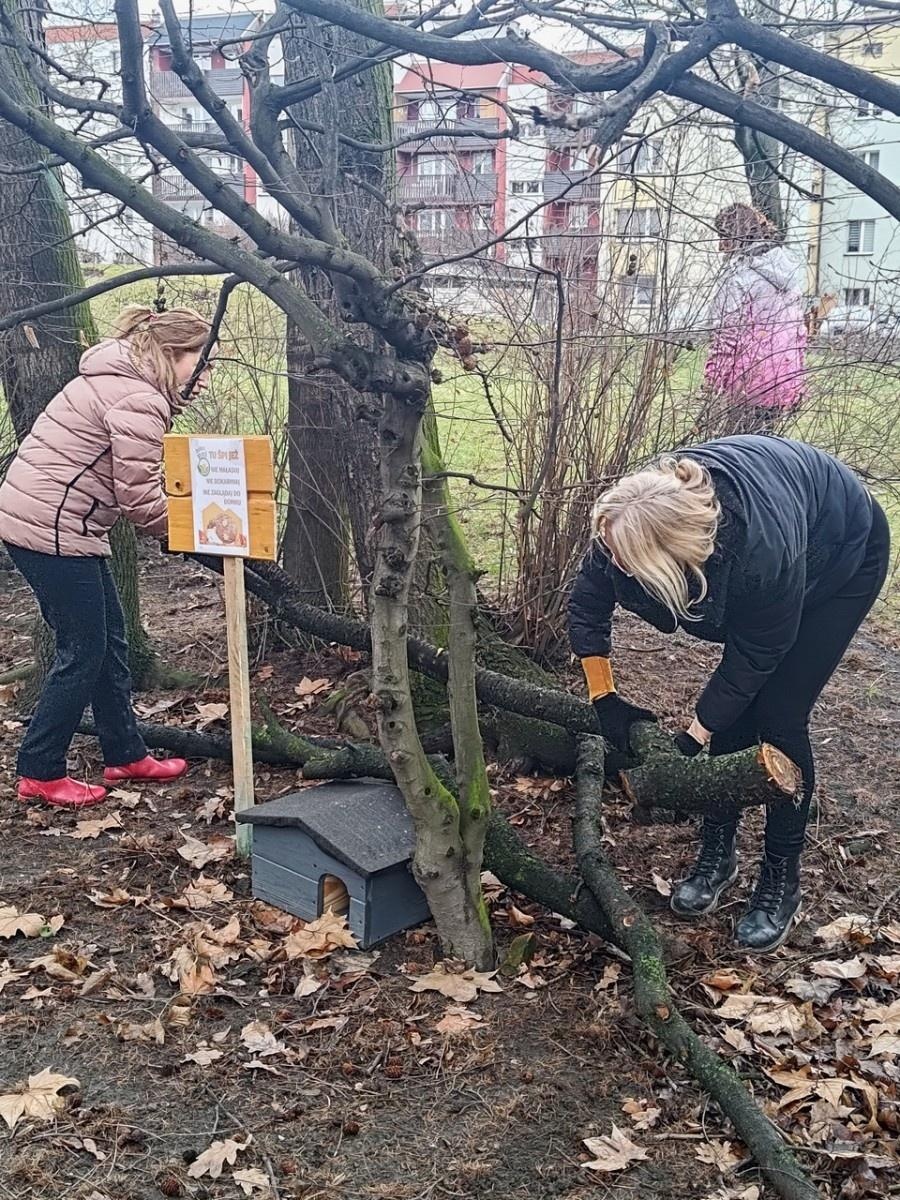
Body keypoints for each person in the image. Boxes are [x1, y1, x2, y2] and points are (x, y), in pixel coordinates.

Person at [568, 436, 890, 953]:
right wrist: (604, 698)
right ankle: (717, 851)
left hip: (842, 556)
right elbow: (586, 605)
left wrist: (690, 742)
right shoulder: (624, 523)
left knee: (779, 716)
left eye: (629, 564)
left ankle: (780, 877)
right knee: (733, 719)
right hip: (773, 541)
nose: (615, 567)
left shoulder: (761, 555)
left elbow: (754, 658)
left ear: (670, 555)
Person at [0, 305, 215, 809]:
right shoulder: (138, 399)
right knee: (84, 650)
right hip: (50, 529)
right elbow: (139, 500)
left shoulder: (123, 378)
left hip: (56, 522)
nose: (204, 377)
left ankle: (125, 753)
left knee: (110, 641)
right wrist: (195, 532)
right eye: (199, 363)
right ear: (170, 354)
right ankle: (39, 769)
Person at [700, 203, 807, 437]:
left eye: (723, 237)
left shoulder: (740, 278)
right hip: (783, 383)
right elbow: (799, 335)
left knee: (736, 455)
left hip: (748, 386)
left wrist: (711, 384)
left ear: (736, 237)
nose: (720, 246)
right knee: (764, 449)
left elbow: (727, 337)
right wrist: (797, 384)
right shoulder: (789, 276)